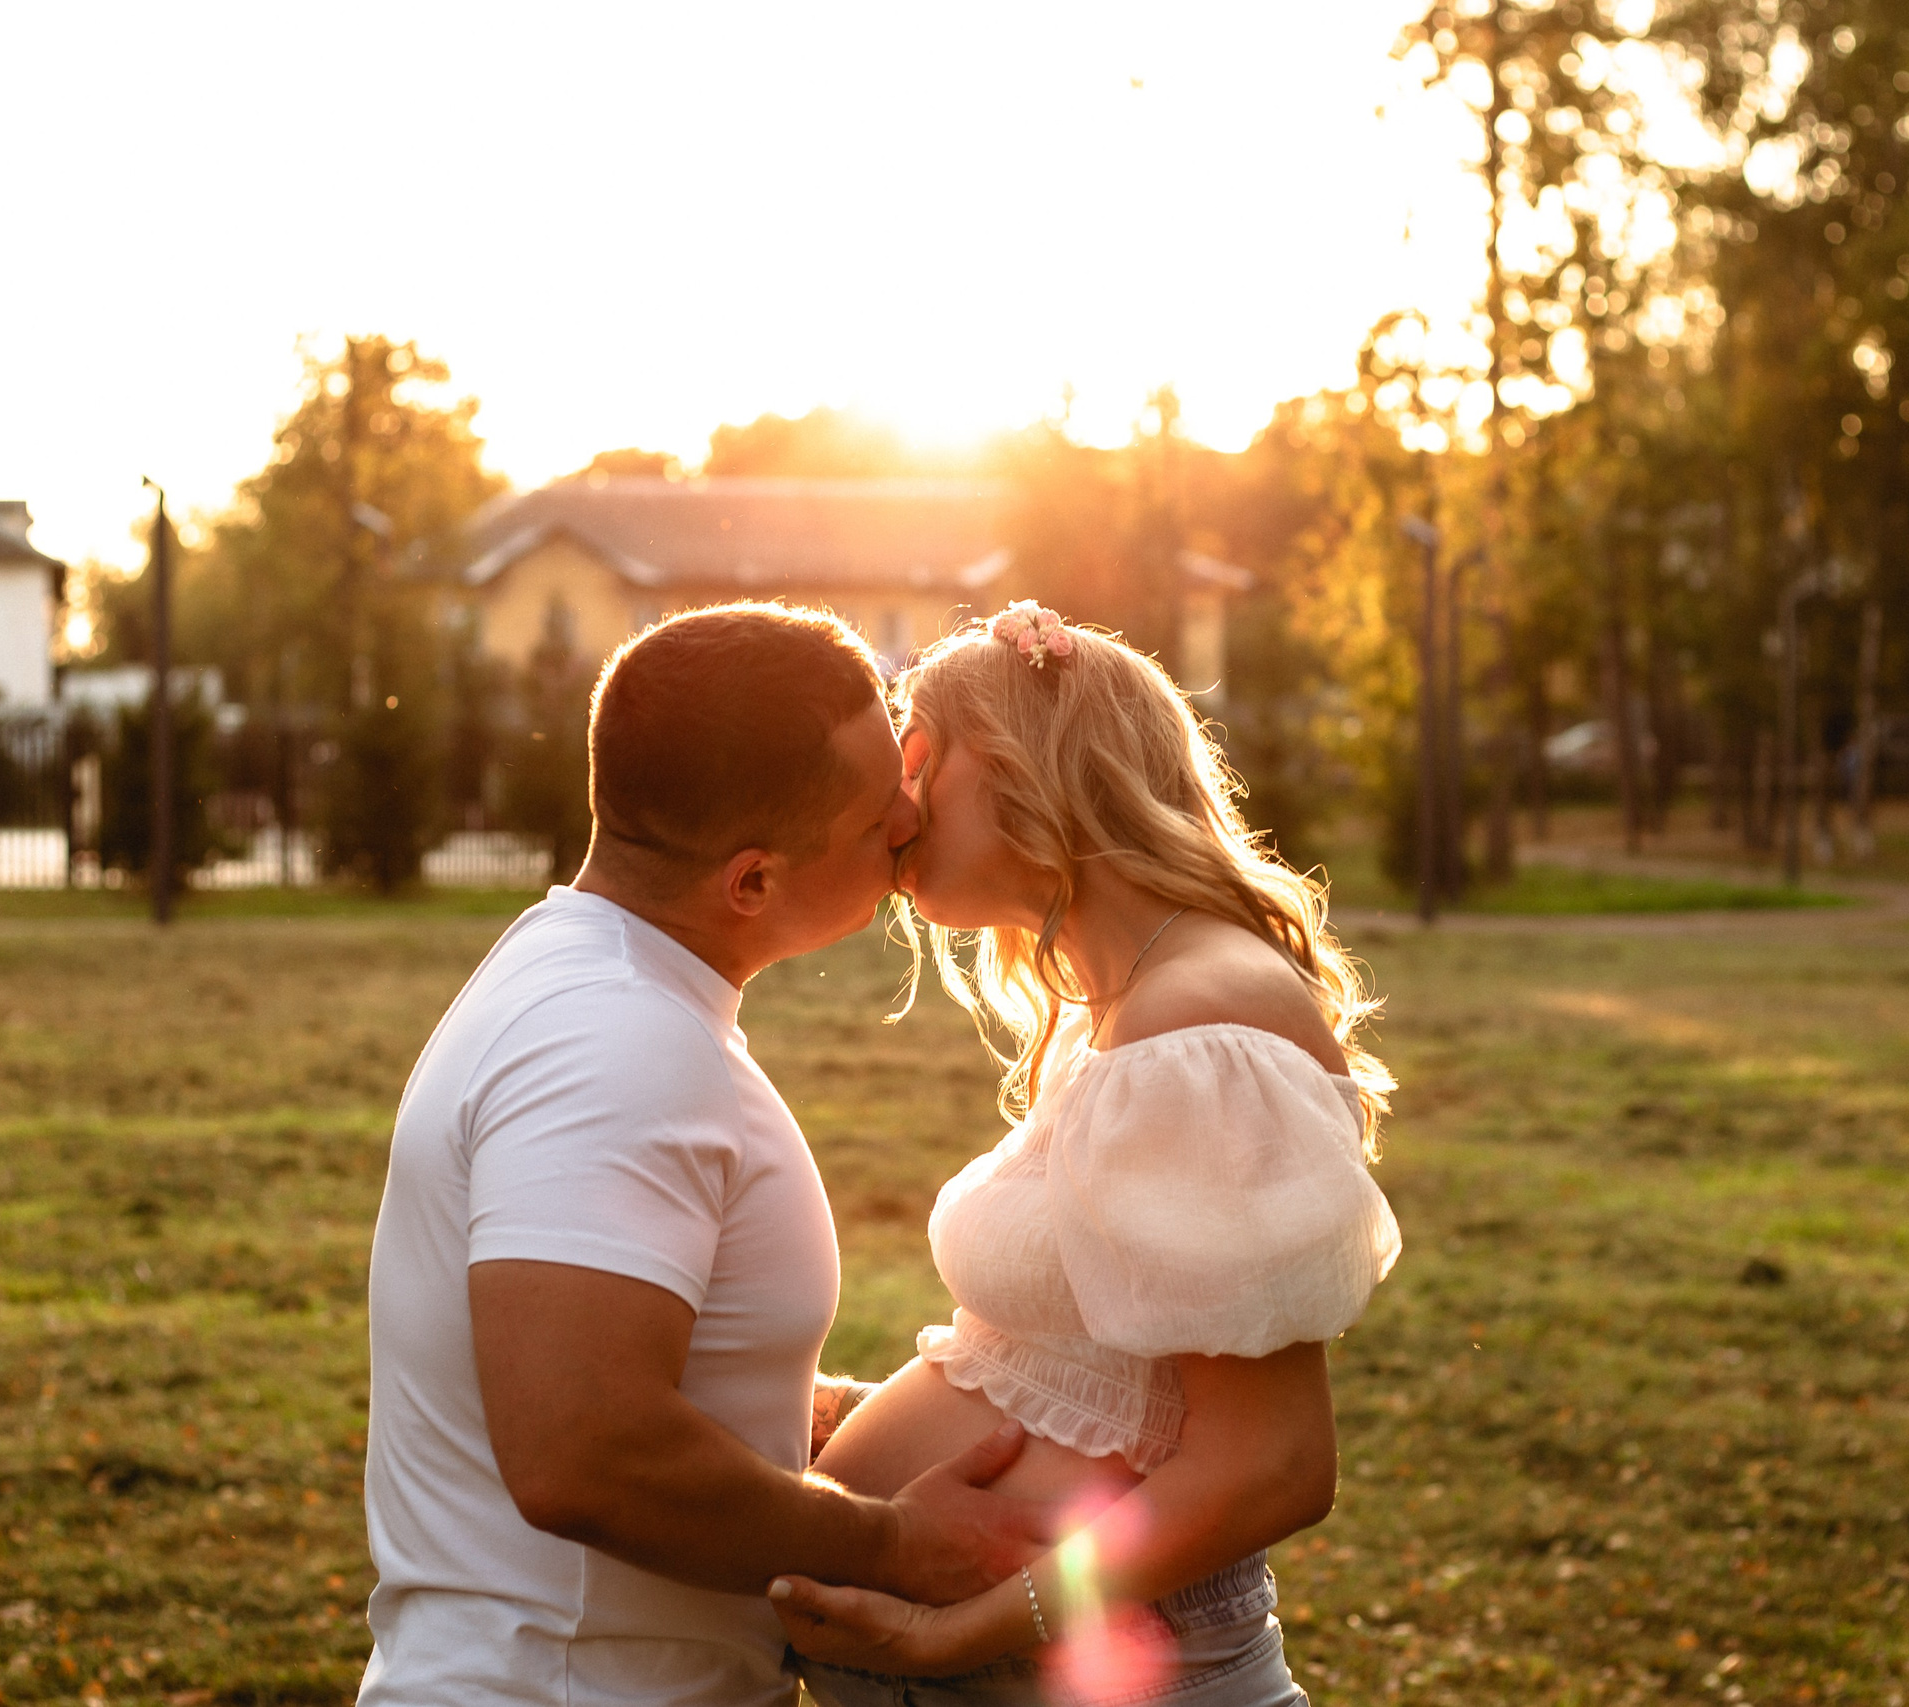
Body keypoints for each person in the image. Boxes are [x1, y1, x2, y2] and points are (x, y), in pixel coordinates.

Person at [358, 603, 1048, 1707]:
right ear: (752, 883)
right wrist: (893, 1543)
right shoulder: (616, 1040)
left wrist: (815, 1413)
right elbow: (583, 1448)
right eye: (881, 814)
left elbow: (604, 1357)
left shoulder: (598, 984)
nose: (912, 818)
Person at [772, 602, 1402, 1707]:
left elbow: (1273, 1463)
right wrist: (867, 1428)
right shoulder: (1132, 1009)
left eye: (921, 755)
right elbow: (1113, 1386)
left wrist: (953, 1634)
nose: (898, 803)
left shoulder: (1199, 1024)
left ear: (1028, 764)